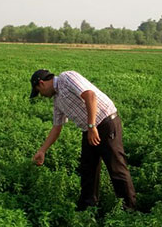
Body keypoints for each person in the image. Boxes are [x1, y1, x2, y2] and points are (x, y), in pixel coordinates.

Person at [29, 69, 136, 211]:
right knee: (88, 169)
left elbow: (89, 95)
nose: (41, 95)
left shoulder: (66, 77)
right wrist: (42, 150)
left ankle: (130, 209)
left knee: (116, 166)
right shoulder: (57, 101)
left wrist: (92, 126)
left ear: (41, 83)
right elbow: (56, 128)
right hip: (89, 129)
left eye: (39, 91)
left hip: (105, 122)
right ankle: (87, 208)